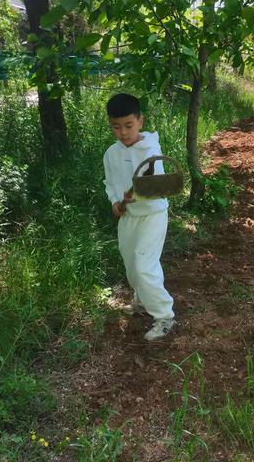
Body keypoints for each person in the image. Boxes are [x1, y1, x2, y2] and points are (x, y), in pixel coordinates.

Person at [103, 93, 175, 341]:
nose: (123, 132)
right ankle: (142, 301)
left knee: (145, 265)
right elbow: (109, 182)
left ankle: (165, 316)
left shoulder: (151, 151)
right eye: (116, 126)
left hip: (152, 216)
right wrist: (115, 201)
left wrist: (138, 195)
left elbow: (159, 187)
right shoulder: (111, 153)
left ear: (140, 121)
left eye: (128, 126)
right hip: (128, 217)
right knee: (132, 266)